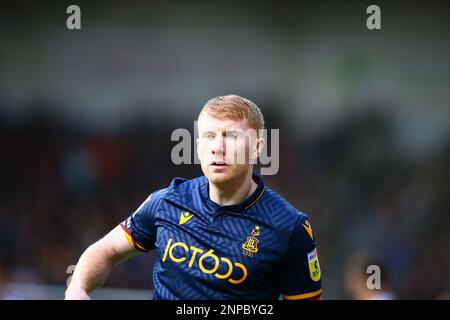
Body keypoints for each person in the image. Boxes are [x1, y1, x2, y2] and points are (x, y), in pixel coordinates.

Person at [65, 95, 322, 300]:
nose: (218, 148)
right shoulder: (166, 202)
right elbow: (106, 250)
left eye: (231, 136)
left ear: (257, 147)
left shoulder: (289, 227)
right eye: (209, 136)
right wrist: (77, 288)